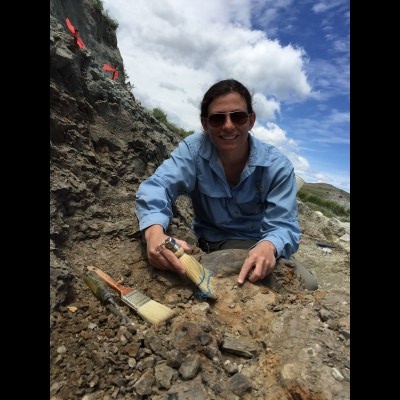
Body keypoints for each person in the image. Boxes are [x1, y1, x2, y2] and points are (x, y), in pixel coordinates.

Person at [134, 79, 318, 291]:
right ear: (205, 124)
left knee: (308, 284)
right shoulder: (193, 151)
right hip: (209, 244)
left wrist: (269, 246)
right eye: (217, 119)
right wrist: (153, 232)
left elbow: (284, 225)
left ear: (251, 120)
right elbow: (158, 185)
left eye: (238, 116)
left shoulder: (278, 167)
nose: (228, 125)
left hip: (259, 246)